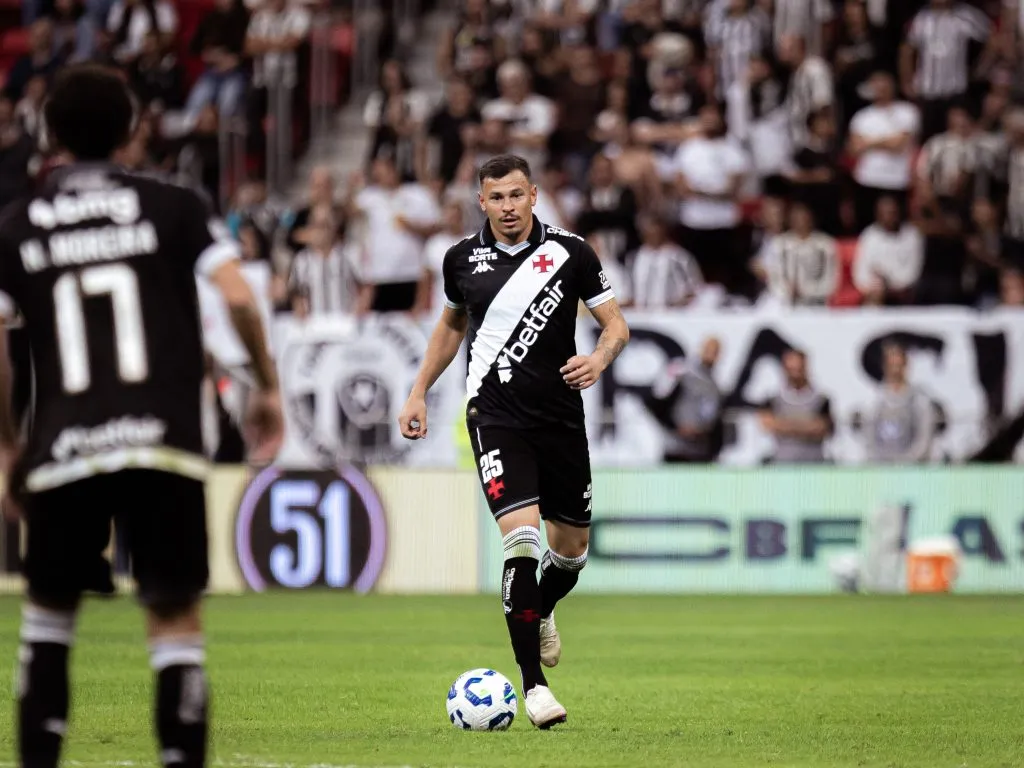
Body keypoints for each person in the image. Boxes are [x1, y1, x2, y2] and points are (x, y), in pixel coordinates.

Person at [0, 64, 283, 768]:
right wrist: (266, 387)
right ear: (133, 129)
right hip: (165, 443)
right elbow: (240, 298)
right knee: (174, 623)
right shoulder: (173, 203)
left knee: (47, 624)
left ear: (49, 135)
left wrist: (9, 447)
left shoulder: (16, 223)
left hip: (65, 444)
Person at [397, 154, 629, 729]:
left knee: (570, 551)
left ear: (534, 196)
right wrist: (419, 390)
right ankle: (534, 687)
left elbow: (616, 325)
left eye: (516, 196)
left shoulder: (572, 253)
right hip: (495, 416)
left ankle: (540, 608)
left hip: (560, 420)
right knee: (520, 540)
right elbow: (451, 326)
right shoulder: (460, 260)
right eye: (496, 198)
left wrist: (599, 358)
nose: (507, 207)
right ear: (481, 201)